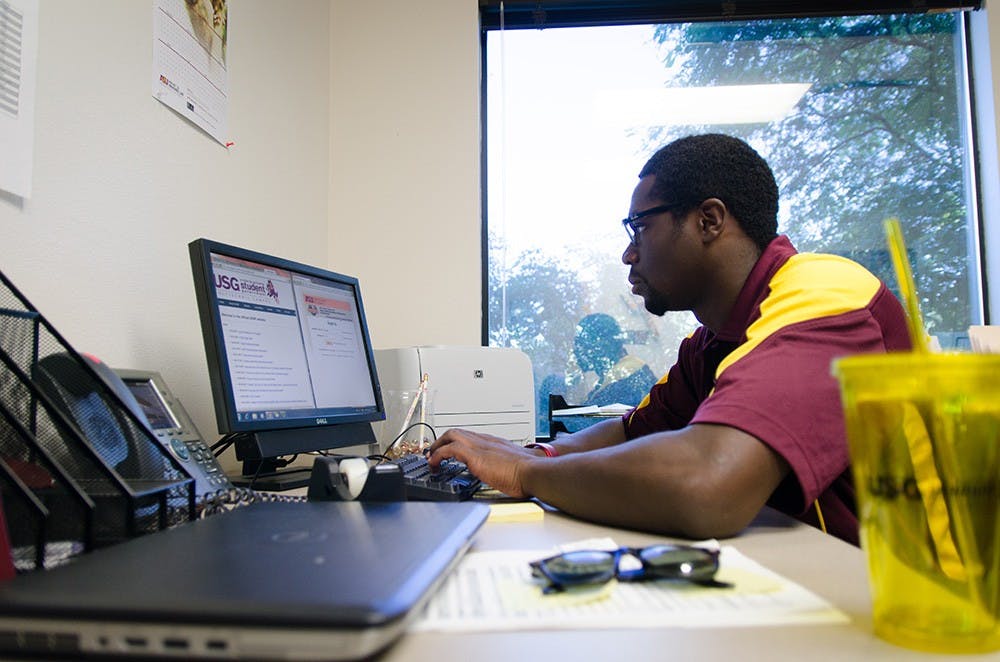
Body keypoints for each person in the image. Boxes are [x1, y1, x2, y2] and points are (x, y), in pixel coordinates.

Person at [429, 133, 910, 545]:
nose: (627, 253)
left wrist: (524, 474)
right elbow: (631, 431)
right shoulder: (713, 340)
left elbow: (708, 483)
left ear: (709, 221)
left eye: (640, 226)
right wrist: (536, 453)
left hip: (920, 604)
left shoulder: (826, 297)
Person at [572, 313, 656, 407]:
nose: (576, 351)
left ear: (601, 346)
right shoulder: (621, 373)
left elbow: (592, 418)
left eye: (581, 344)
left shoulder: (624, 377)